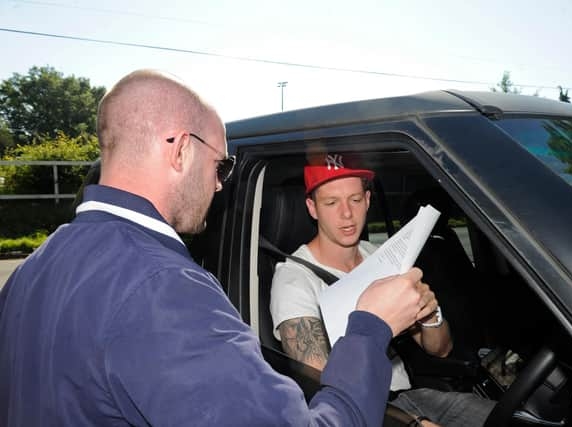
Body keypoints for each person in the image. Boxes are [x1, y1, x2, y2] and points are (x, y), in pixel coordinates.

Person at [0, 70, 434, 426]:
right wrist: (369, 328)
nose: (220, 183)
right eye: (221, 164)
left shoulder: (33, 268)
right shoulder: (163, 289)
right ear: (182, 150)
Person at [270, 154, 496, 427]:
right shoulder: (294, 280)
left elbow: (441, 349)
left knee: (505, 415)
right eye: (331, 203)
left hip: (411, 398)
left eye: (354, 200)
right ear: (312, 208)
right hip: (361, 414)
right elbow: (325, 393)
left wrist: (430, 314)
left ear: (367, 201)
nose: (346, 213)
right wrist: (410, 423)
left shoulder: (382, 258)